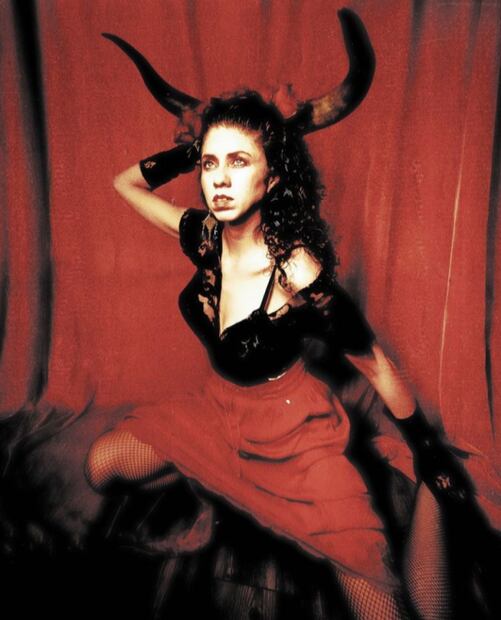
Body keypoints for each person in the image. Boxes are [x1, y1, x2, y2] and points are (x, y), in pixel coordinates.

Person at [86, 12, 475, 619]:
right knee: (100, 466)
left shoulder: (297, 270)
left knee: (391, 612)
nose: (219, 179)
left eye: (240, 162)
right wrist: (194, 147)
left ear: (271, 179)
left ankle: (431, 494)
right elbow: (125, 185)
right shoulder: (204, 236)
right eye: (210, 164)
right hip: (218, 413)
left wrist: (426, 449)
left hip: (296, 435)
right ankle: (213, 482)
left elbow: (373, 361)